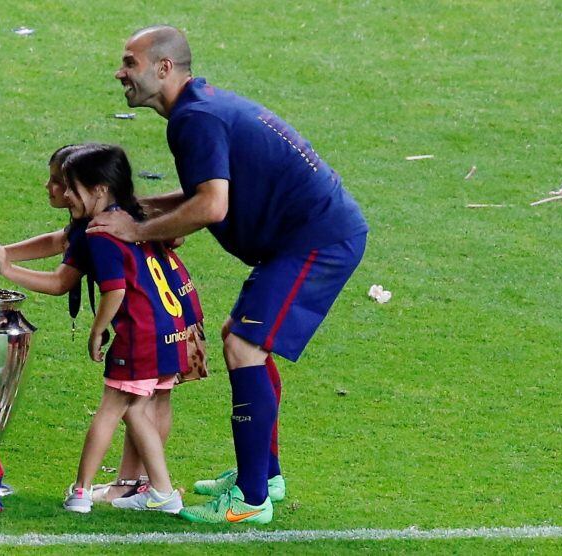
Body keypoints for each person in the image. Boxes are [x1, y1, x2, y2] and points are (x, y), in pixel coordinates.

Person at [88, 25, 368, 524]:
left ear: (164, 68)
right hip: (307, 233)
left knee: (244, 346)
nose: (120, 72)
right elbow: (212, 193)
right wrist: (145, 210)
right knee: (239, 338)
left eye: (130, 62)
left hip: (316, 239)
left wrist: (138, 232)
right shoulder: (199, 107)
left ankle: (252, 501)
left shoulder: (193, 119)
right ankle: (263, 474)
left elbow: (212, 206)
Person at [0, 143, 194, 515]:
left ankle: (90, 492)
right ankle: (147, 487)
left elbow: (79, 282)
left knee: (117, 407)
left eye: (64, 184)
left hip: (141, 329)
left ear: (98, 188)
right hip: (174, 320)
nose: (59, 191)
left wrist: (97, 328)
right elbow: (61, 242)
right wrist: (5, 253)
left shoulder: (100, 230)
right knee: (144, 404)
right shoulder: (126, 214)